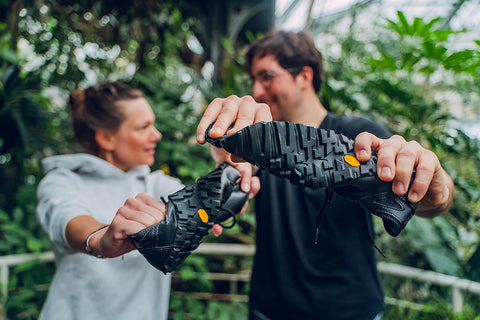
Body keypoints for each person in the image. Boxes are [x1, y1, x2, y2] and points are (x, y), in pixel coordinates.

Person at [197, 30, 454, 320]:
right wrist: (226, 157)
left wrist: (435, 185)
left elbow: (430, 203)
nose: (257, 90)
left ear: (304, 76)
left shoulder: (359, 136)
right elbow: (233, 181)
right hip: (269, 310)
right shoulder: (260, 144)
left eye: (267, 76)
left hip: (350, 310)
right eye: (254, 80)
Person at [36, 82, 259, 319]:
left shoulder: (156, 185)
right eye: (143, 127)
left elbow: (208, 199)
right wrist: (100, 239)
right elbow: (68, 220)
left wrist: (232, 164)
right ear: (106, 139)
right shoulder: (62, 182)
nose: (157, 135)